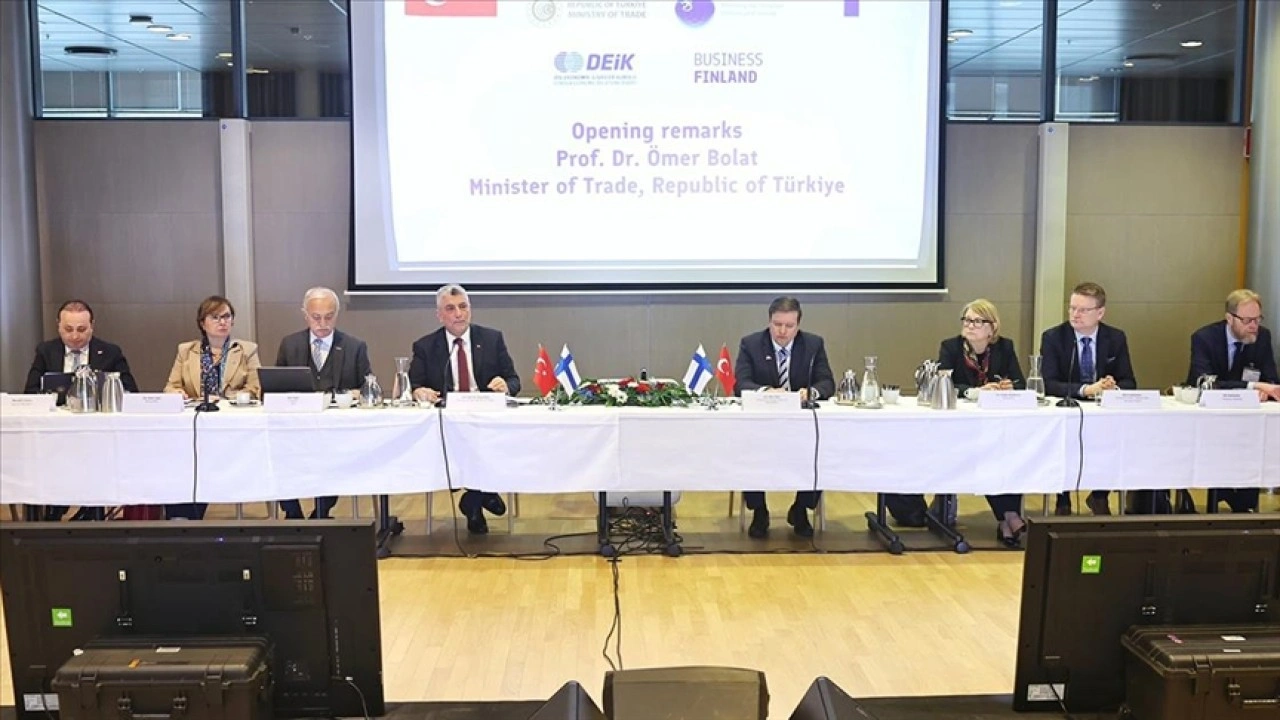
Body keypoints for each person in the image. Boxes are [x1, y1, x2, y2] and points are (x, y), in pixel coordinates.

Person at [409, 284, 521, 534]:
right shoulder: (425, 346)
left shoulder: (491, 339)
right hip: (448, 424)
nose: (459, 314)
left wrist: (505, 386)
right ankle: (481, 495)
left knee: (489, 443)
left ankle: (473, 499)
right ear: (439, 315)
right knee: (465, 445)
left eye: (463, 307)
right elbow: (415, 386)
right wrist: (420, 392)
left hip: (486, 420)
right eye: (450, 309)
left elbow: (514, 380)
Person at [24, 299, 139, 521]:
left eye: (81, 329)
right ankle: (54, 505)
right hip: (56, 434)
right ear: (58, 326)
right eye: (68, 329)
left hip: (98, 434)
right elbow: (30, 391)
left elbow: (130, 391)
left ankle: (90, 508)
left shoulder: (110, 352)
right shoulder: (46, 351)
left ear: (92, 326)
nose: (75, 336)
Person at [733, 296, 835, 539]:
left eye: (789, 326)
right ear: (769, 321)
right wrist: (766, 391)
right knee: (749, 450)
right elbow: (741, 384)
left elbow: (827, 382)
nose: (782, 331)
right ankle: (759, 511)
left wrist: (811, 392)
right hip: (761, 425)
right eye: (777, 324)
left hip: (801, 425)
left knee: (820, 449)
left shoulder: (813, 344)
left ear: (798, 325)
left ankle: (801, 509)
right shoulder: (751, 344)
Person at [274, 287, 373, 520]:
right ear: (305, 315)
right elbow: (277, 386)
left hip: (337, 429)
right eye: (316, 317)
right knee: (277, 453)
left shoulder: (354, 346)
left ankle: (321, 512)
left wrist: (354, 394)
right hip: (295, 427)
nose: (322, 324)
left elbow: (368, 387)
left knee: (335, 459)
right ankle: (292, 513)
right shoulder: (290, 344)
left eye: (329, 317)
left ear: (337, 315)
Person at [1040, 282, 1137, 516]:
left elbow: (1129, 381)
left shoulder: (1115, 338)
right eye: (1072, 308)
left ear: (1100, 313)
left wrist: (1111, 388)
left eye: (1083, 310)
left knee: (1118, 440)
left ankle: (1099, 496)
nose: (1075, 314)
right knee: (1063, 442)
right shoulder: (1054, 337)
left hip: (1103, 412)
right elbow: (1048, 383)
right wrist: (1086, 390)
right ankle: (1063, 499)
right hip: (1067, 408)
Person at [163, 295, 262, 520]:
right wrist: (177, 393)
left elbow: (256, 389)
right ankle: (181, 516)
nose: (222, 322)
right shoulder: (186, 351)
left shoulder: (246, 350)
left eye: (226, 316)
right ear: (202, 323)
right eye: (215, 317)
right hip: (194, 423)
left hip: (231, 426)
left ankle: (192, 513)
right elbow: (171, 386)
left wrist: (226, 399)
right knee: (180, 459)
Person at [939, 299, 1026, 546]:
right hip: (962, 426)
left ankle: (1006, 519)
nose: (970, 325)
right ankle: (1009, 516)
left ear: (992, 327)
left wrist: (1008, 387)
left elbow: (1020, 382)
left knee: (1008, 454)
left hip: (997, 423)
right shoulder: (950, 347)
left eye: (977, 321)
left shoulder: (1005, 347)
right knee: (988, 454)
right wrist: (976, 392)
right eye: (967, 320)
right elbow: (945, 383)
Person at [1185, 289, 1280, 513]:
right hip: (1209, 417)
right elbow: (1206, 382)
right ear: (1229, 318)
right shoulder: (1204, 338)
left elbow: (1271, 379)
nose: (1254, 326)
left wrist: (1265, 389)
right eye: (1247, 320)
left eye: (1257, 319)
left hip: (1247, 420)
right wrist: (1252, 387)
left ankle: (1244, 503)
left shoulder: (1262, 337)